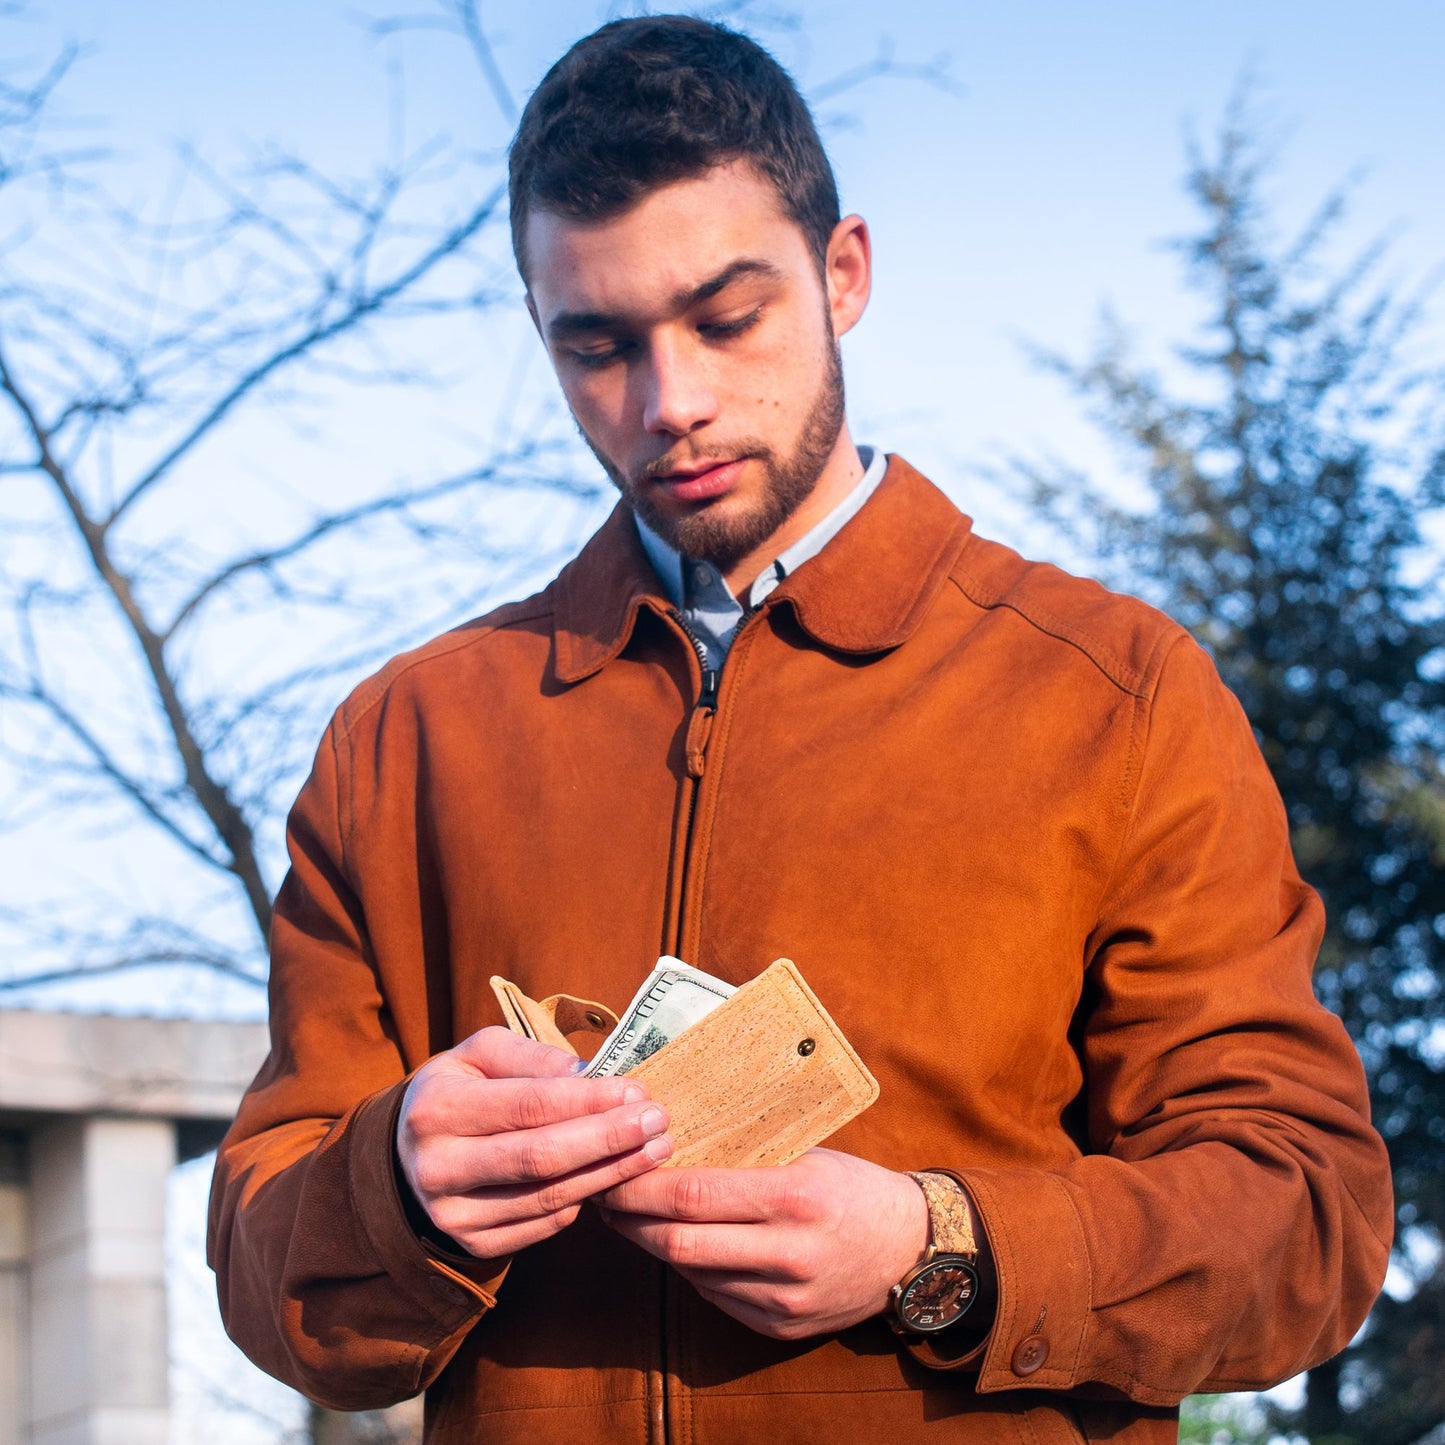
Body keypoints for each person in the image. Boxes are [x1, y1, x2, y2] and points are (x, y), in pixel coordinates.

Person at [209, 16, 1393, 1444]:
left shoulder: (1113, 693)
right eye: (596, 346)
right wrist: (391, 1187)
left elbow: (1308, 1222)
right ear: (541, 333)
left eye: (725, 317)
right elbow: (273, 1275)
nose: (671, 404)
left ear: (843, 274)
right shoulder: (404, 740)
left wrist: (935, 1246)